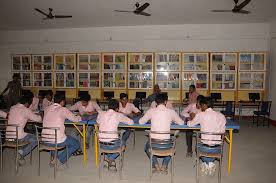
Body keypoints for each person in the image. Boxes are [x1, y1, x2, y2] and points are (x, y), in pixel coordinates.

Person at [139, 93, 184, 173]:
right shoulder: (171, 112)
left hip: (153, 143)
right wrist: (172, 120)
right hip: (166, 144)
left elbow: (141, 122)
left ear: (155, 103)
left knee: (146, 148)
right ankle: (164, 166)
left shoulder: (151, 111)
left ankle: (156, 165)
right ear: (166, 102)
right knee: (172, 147)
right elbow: (181, 123)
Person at [187, 97, 226, 175]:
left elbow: (190, 124)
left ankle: (207, 163)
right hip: (217, 149)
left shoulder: (201, 114)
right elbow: (223, 132)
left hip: (204, 148)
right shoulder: (221, 116)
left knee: (198, 146)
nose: (200, 107)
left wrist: (188, 121)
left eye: (201, 105)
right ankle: (210, 163)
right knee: (212, 147)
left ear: (204, 105)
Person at [42, 93, 82, 167]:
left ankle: (53, 156)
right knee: (76, 144)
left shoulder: (46, 109)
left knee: (57, 136)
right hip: (57, 140)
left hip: (45, 139)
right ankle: (59, 159)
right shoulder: (63, 109)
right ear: (62, 101)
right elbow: (75, 119)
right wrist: (79, 116)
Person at [97, 99, 134, 170]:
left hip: (101, 143)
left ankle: (109, 159)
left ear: (108, 106)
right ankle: (110, 159)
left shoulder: (101, 114)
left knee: (109, 141)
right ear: (117, 108)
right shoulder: (118, 115)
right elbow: (131, 122)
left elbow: (98, 121)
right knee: (123, 144)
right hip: (113, 143)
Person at [6, 96, 42, 165]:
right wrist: (40, 114)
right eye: (29, 104)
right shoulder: (26, 110)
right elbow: (39, 119)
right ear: (26, 103)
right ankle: (21, 152)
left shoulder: (12, 107)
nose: (29, 105)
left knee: (27, 134)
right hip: (18, 137)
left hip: (8, 136)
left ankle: (20, 149)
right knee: (36, 139)